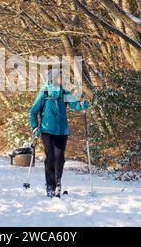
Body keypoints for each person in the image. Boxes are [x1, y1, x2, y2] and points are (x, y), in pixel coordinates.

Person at [30, 69, 89, 198]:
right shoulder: (44, 93)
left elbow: (75, 105)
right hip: (47, 130)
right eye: (60, 77)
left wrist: (82, 105)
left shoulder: (64, 92)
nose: (62, 79)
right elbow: (33, 111)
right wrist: (35, 127)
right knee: (50, 157)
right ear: (53, 79)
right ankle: (50, 185)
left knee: (60, 159)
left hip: (62, 131)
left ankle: (58, 184)